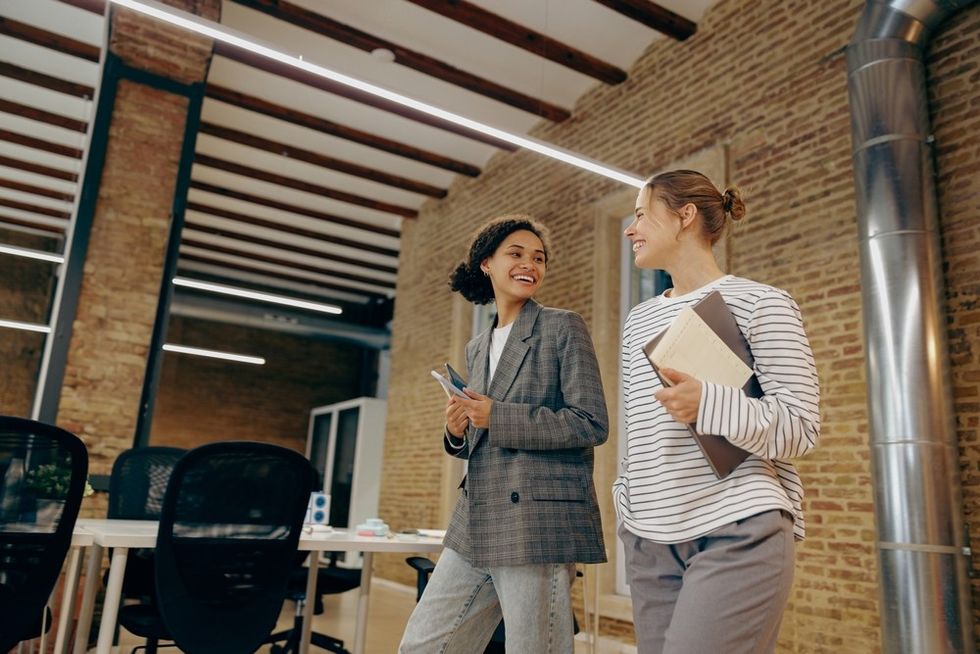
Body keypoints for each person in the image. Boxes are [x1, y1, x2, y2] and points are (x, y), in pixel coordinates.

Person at [615, 170, 820, 654]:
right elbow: (638, 433)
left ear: (684, 216)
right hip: (649, 540)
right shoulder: (638, 319)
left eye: (642, 214)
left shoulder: (762, 303)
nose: (631, 228)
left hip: (737, 531)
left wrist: (710, 402)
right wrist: (628, 502)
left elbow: (801, 428)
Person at [399, 215, 608, 654]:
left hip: (535, 520)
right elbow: (484, 432)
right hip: (475, 518)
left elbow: (590, 421)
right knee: (423, 645)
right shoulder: (478, 347)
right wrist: (456, 430)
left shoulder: (561, 327)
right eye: (516, 254)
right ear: (487, 264)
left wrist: (498, 415)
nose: (529, 264)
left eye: (538, 258)